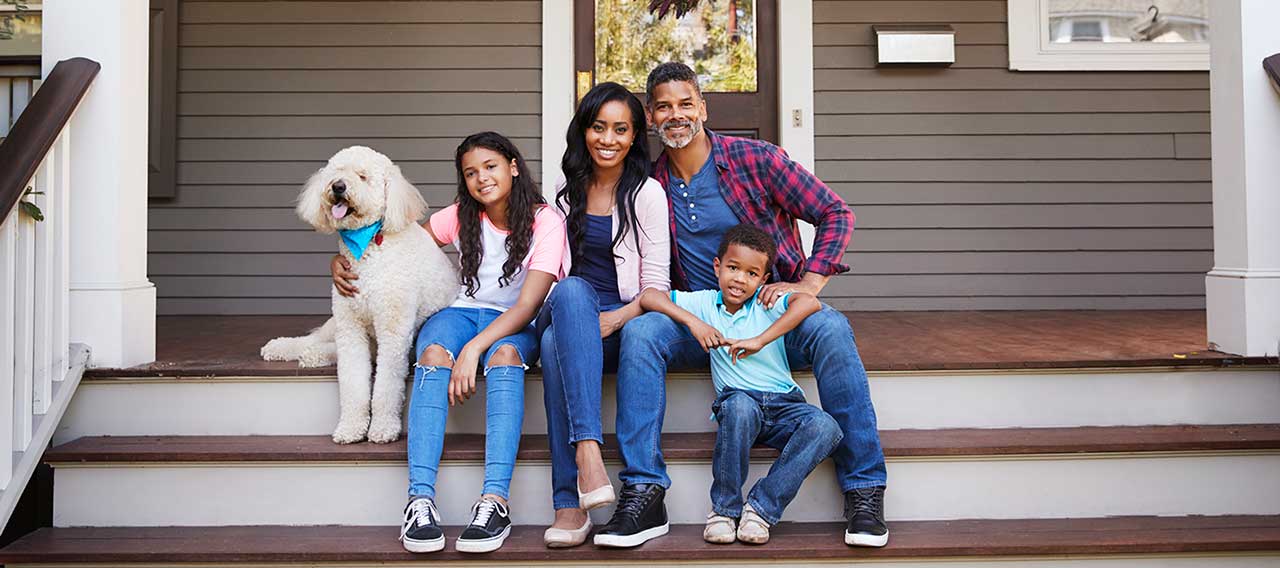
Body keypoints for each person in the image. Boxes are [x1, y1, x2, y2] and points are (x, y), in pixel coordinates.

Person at [608, 62, 890, 548]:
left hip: (771, 316)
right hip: (702, 322)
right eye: (663, 107)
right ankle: (644, 489)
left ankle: (864, 489)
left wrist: (809, 284)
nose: (675, 115)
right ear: (651, 118)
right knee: (641, 333)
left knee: (831, 329)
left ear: (703, 107)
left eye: (685, 103)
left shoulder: (756, 160)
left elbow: (835, 212)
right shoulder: (647, 186)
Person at [332, 132, 567, 554]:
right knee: (432, 354)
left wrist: (475, 348)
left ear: (514, 166)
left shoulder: (545, 220)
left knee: (506, 356)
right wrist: (345, 257)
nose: (482, 179)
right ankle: (419, 500)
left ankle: (494, 500)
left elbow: (529, 304)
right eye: (471, 173)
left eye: (491, 167)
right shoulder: (460, 215)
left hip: (514, 321)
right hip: (459, 313)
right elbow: (400, 243)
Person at [639, 224, 842, 545]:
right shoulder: (706, 304)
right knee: (738, 406)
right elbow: (650, 296)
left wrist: (761, 339)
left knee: (825, 426)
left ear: (763, 280)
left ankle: (761, 508)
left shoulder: (766, 302)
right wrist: (695, 323)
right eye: (733, 268)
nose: (739, 279)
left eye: (751, 273)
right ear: (717, 267)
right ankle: (724, 510)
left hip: (784, 404)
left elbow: (809, 303)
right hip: (739, 404)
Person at [537, 82, 670, 548]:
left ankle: (569, 503)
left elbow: (657, 284)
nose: (607, 139)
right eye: (598, 127)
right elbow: (552, 271)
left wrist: (616, 319)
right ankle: (589, 455)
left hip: (622, 317)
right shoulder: (564, 187)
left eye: (620, 129)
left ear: (635, 136)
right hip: (571, 308)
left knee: (554, 347)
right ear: (584, 130)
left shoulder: (648, 193)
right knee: (571, 292)